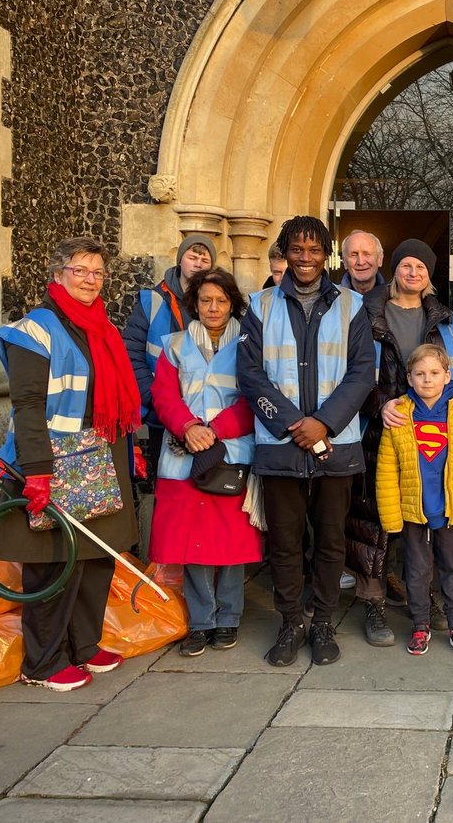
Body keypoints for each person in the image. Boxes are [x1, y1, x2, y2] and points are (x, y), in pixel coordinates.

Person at [0, 237, 141, 691]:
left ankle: (84, 645)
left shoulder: (103, 327)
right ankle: (43, 662)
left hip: (100, 455)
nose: (90, 280)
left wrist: (127, 446)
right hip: (53, 459)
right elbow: (28, 404)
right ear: (58, 275)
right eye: (80, 271)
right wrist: (37, 470)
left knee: (97, 557)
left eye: (97, 273)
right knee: (56, 561)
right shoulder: (35, 330)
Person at [238, 216, 374, 668]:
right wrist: (296, 423)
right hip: (281, 444)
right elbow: (250, 375)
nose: (306, 258)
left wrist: (325, 424)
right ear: (285, 251)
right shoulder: (259, 306)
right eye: (297, 249)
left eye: (315, 250)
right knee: (285, 542)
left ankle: (322, 623)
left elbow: (362, 373)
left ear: (326, 255)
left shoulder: (353, 306)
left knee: (331, 541)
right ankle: (291, 621)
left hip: (336, 445)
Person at [350, 238, 453, 647]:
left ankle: (427, 605)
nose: (413, 272)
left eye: (421, 267)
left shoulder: (442, 317)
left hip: (435, 423)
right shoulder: (366, 310)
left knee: (426, 526)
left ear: (428, 275)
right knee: (376, 520)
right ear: (395, 268)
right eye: (406, 265)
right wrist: (378, 404)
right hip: (379, 427)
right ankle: (373, 604)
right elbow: (349, 370)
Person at [148, 268, 261, 657]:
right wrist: (188, 427)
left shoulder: (250, 344)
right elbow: (163, 395)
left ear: (233, 304)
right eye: (205, 300)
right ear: (194, 303)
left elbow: (255, 397)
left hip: (230, 455)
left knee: (230, 543)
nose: (213, 308)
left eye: (221, 300)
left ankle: (228, 618)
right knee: (192, 543)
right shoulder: (175, 345)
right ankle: (201, 622)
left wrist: (214, 429)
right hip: (184, 455)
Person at [376, 344, 453, 658]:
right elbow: (385, 469)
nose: (427, 380)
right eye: (420, 374)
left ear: (447, 376)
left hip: (449, 513)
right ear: (409, 377)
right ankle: (420, 624)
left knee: (452, 568)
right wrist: (392, 516)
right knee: (417, 571)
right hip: (415, 513)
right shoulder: (399, 416)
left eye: (435, 373)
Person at [123, 235, 215, 474]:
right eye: (192, 257)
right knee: (167, 482)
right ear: (179, 261)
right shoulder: (152, 301)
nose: (197, 264)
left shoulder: (218, 303)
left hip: (208, 415)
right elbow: (131, 354)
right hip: (162, 413)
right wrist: (154, 400)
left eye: (204, 260)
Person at [340, 229, 386, 295]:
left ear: (380, 259)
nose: (361, 262)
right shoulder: (331, 300)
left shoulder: (394, 299)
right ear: (344, 262)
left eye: (367, 254)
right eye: (354, 255)